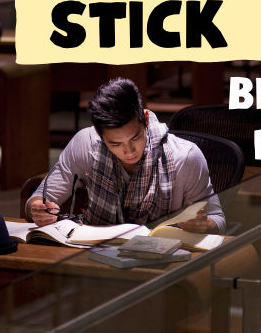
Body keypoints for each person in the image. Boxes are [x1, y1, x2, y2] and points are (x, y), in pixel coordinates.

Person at [26, 78, 225, 234]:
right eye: (115, 144)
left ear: (145, 118)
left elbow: (218, 218)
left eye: (135, 138)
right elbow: (39, 199)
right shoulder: (85, 144)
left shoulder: (185, 157)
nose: (129, 152)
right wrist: (38, 209)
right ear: (98, 132)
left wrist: (204, 224)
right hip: (94, 254)